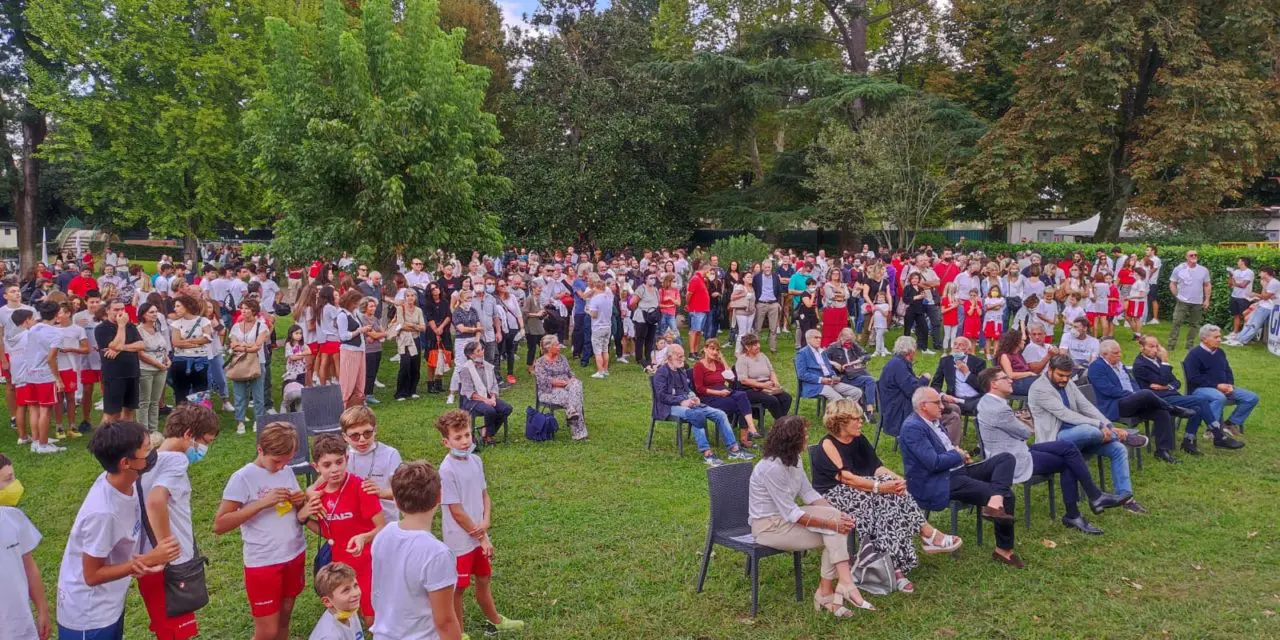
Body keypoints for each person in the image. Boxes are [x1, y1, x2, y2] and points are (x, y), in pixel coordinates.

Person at [812, 400, 961, 594]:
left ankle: (899, 561)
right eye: (856, 419)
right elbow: (847, 479)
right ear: (840, 422)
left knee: (896, 494)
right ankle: (917, 547)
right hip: (835, 493)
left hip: (863, 487)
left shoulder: (859, 439)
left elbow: (876, 467)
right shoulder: (827, 444)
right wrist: (880, 486)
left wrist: (897, 479)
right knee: (883, 501)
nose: (861, 422)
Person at [57, 421, 180, 639]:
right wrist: (148, 559)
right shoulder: (103, 513)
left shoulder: (125, 481)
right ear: (126, 462)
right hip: (89, 616)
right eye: (147, 449)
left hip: (109, 602)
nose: (152, 453)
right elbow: (91, 575)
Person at [976, 368, 1131, 535]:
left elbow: (1020, 431)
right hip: (1013, 460)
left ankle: (1094, 497)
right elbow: (1025, 432)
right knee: (1067, 462)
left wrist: (1021, 421)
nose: (1011, 379)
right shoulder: (1000, 409)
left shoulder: (986, 401)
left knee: (1067, 447)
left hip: (1015, 450)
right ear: (994, 384)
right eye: (1005, 378)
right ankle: (1076, 512)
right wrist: (1023, 422)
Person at [748, 415, 872, 617]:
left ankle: (835, 588)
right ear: (792, 440)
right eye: (804, 434)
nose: (807, 437)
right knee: (833, 532)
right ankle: (835, 588)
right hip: (770, 527)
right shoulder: (771, 468)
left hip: (788, 518)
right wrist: (830, 524)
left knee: (836, 524)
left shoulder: (794, 459)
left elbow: (808, 493)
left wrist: (838, 514)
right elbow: (792, 512)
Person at [899, 387, 1022, 568]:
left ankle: (995, 500)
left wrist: (959, 457)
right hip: (938, 480)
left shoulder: (932, 420)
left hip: (957, 470)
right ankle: (1003, 550)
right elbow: (933, 463)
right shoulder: (913, 428)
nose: (942, 406)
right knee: (1008, 495)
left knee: (1005, 459)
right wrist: (958, 454)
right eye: (937, 403)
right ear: (923, 405)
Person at [215, 422, 314, 640]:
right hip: (264, 561)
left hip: (294, 553)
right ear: (260, 450)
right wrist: (261, 503)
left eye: (286, 461)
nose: (281, 467)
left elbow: (296, 510)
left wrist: (300, 500)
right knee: (267, 631)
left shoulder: (286, 470)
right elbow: (220, 524)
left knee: (284, 618)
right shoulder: (242, 478)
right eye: (277, 461)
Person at [434, 411, 526, 638]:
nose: (465, 441)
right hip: (460, 542)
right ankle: (459, 633)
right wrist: (481, 535)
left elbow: (485, 495)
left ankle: (495, 620)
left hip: (478, 536)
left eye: (467, 435)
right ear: (446, 442)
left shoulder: (476, 460)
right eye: (458, 437)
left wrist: (486, 522)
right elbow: (456, 511)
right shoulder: (446, 470)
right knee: (459, 589)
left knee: (484, 578)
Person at [137, 404, 220, 639]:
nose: (205, 448)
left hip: (152, 564)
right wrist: (166, 550)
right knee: (177, 632)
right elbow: (155, 501)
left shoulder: (150, 461)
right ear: (188, 435)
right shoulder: (176, 461)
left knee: (167, 630)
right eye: (206, 441)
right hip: (170, 567)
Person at [1027, 355, 1149, 514]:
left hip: (1081, 435)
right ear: (1050, 370)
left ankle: (1126, 498)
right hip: (1055, 440)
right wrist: (1098, 425)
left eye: (1068, 375)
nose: (1065, 379)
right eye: (1061, 375)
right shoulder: (1039, 389)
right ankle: (1124, 436)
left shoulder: (1068, 383)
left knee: (1118, 449)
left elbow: (1086, 406)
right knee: (1090, 430)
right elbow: (1065, 414)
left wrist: (1108, 425)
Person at [369, 461, 463, 640]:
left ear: (395, 500)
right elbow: (445, 621)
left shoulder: (383, 535)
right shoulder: (437, 554)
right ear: (439, 497)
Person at [307, 434, 386, 626]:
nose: (334, 469)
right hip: (341, 565)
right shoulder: (319, 494)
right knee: (346, 615)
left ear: (347, 459)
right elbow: (328, 532)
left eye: (339, 462)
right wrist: (303, 518)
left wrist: (364, 537)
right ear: (316, 467)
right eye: (327, 465)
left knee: (371, 619)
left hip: (368, 563)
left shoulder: (360, 487)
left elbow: (383, 527)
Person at [1131, 335, 1244, 453]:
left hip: (1169, 395)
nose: (1156, 350)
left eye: (1157, 346)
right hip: (1156, 399)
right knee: (1200, 400)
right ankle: (1219, 436)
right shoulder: (1140, 365)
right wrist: (1165, 362)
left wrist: (1166, 386)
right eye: (1151, 346)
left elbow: (1176, 382)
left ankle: (1188, 442)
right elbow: (1164, 380)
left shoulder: (1157, 360)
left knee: (1197, 409)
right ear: (1141, 347)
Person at [1087, 339, 1186, 464]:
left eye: (1120, 352)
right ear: (1104, 354)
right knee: (1145, 393)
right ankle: (1173, 408)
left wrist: (1136, 394)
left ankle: (1163, 451)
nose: (1119, 355)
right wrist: (1133, 395)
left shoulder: (1120, 365)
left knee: (1161, 412)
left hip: (1133, 401)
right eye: (1116, 353)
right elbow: (1108, 390)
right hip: (1116, 405)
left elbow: (1133, 382)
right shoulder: (1096, 367)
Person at [652, 345, 752, 466]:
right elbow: (661, 396)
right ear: (669, 357)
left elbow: (687, 389)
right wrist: (681, 402)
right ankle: (707, 454)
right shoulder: (661, 373)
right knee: (696, 415)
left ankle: (734, 450)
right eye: (680, 356)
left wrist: (693, 396)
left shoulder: (680, 371)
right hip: (667, 407)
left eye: (683, 356)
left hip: (686, 403)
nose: (683, 359)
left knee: (720, 414)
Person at [1182, 324, 1260, 439]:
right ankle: (1212, 430)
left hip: (1222, 388)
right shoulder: (1194, 355)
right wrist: (1217, 386)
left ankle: (1230, 424)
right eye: (1216, 337)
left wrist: (1229, 385)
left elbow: (1227, 370)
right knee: (1219, 397)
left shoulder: (1220, 352)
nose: (1220, 339)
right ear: (1204, 338)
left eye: (1220, 337)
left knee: (1251, 397)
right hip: (1199, 390)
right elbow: (1193, 378)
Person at [0, 487, 51, 639]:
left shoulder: (13, 518)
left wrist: (42, 610)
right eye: (6, 479)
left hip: (20, 627)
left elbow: (29, 567)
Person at [693, 339, 760, 449]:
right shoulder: (698, 366)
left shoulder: (718, 364)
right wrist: (718, 393)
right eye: (712, 349)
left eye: (717, 350)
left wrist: (722, 359)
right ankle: (744, 438)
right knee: (742, 405)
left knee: (742, 396)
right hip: (709, 396)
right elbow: (699, 389)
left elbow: (732, 379)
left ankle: (751, 428)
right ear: (705, 349)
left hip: (724, 390)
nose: (715, 352)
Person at [879, 336, 935, 443]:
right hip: (897, 409)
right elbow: (912, 391)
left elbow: (907, 383)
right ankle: (929, 439)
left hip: (894, 404)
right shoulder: (898, 364)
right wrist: (925, 379)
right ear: (910, 351)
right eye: (915, 350)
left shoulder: (897, 362)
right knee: (932, 406)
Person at [456, 340, 513, 447]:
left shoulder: (488, 366)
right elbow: (469, 392)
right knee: (489, 410)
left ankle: (486, 430)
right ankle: (489, 437)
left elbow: (494, 385)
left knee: (506, 408)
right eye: (479, 350)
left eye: (482, 349)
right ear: (471, 355)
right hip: (472, 400)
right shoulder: (465, 370)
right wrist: (486, 400)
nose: (482, 352)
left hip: (488, 397)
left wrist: (493, 398)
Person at [532, 335, 588, 440]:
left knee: (577, 384)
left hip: (567, 386)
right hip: (548, 391)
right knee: (572, 397)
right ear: (549, 347)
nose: (559, 346)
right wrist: (560, 383)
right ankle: (579, 433)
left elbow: (571, 373)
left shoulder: (562, 358)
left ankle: (571, 413)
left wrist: (572, 379)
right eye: (557, 344)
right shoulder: (540, 363)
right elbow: (543, 381)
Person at [929, 336, 984, 439]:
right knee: (950, 411)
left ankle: (981, 444)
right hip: (954, 399)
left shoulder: (979, 362)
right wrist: (943, 395)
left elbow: (982, 387)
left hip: (975, 399)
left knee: (985, 406)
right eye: (955, 344)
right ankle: (949, 443)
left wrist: (967, 373)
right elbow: (935, 384)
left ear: (968, 350)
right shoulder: (945, 361)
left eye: (961, 345)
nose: (956, 347)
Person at [229, 300, 270, 434]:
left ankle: (258, 420)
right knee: (239, 393)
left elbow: (257, 346)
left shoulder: (261, 326)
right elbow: (233, 344)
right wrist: (248, 346)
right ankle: (240, 421)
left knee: (258, 394)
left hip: (257, 362)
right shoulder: (236, 326)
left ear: (253, 310)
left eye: (247, 308)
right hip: (239, 362)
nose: (244, 311)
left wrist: (241, 346)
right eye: (242, 308)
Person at [796, 329, 863, 406]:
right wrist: (821, 380)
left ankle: (845, 411)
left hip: (830, 381)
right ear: (808, 339)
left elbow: (829, 368)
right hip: (815, 385)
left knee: (856, 392)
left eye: (820, 338)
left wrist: (834, 377)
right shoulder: (802, 353)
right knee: (839, 400)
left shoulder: (822, 352)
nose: (819, 340)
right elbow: (802, 374)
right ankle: (842, 413)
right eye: (816, 337)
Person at [733, 333, 793, 420]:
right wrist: (762, 385)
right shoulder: (742, 359)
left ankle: (780, 423)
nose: (758, 346)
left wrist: (776, 383)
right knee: (772, 400)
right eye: (754, 345)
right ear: (747, 347)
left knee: (787, 398)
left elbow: (771, 371)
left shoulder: (763, 356)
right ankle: (783, 423)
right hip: (749, 389)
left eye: (757, 343)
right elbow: (744, 380)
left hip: (767, 386)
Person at [169, 295, 212, 405]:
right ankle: (182, 417)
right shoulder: (176, 324)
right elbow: (176, 342)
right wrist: (197, 343)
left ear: (187, 306)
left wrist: (186, 342)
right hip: (180, 361)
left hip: (200, 360)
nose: (175, 309)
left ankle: (199, 417)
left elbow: (207, 338)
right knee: (180, 393)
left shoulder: (204, 321)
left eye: (178, 306)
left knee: (200, 392)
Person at [136, 302, 172, 432]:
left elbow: (162, 348)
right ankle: (143, 431)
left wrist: (167, 360)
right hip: (146, 369)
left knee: (155, 402)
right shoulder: (138, 330)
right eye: (151, 312)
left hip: (161, 369)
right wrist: (158, 364)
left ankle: (153, 430)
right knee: (144, 401)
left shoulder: (158, 327)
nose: (155, 314)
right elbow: (140, 353)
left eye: (156, 311)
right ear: (143, 315)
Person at [822, 328, 877, 412]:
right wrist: (833, 363)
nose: (849, 342)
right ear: (841, 337)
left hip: (854, 373)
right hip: (842, 376)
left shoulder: (853, 345)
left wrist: (853, 362)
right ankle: (866, 408)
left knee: (871, 380)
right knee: (869, 380)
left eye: (850, 340)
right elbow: (821, 358)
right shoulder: (833, 347)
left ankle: (869, 406)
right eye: (847, 340)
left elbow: (867, 356)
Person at [1167, 250, 1211, 351]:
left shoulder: (1203, 270)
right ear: (1186, 257)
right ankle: (1171, 345)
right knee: (1176, 322)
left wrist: (1207, 299)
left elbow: (1207, 285)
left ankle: (1190, 345)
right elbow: (1172, 283)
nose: (1194, 256)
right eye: (1191, 255)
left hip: (1197, 302)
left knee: (1194, 324)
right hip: (1182, 301)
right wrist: (1177, 295)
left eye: (1196, 255)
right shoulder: (1179, 269)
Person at [335, 290, 372, 408]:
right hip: (349, 350)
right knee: (347, 382)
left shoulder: (354, 313)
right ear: (349, 301)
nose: (357, 305)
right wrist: (359, 331)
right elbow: (343, 336)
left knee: (360, 380)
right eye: (355, 302)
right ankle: (344, 405)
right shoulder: (342, 315)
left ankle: (359, 404)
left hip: (359, 350)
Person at [1226, 267, 1280, 346]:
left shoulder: (1274, 283)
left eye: (1261, 272)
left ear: (1266, 273)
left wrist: (1257, 293)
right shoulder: (1267, 282)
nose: (1259, 274)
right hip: (1263, 305)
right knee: (1250, 323)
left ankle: (1243, 341)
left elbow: (1265, 297)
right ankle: (1239, 338)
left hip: (1268, 307)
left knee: (1255, 325)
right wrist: (1263, 293)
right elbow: (1264, 295)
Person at [310, 563, 365, 640]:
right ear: (327, 601)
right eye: (346, 590)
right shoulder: (330, 636)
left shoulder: (349, 610)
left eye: (355, 585)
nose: (355, 593)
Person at [393, 289, 426, 400]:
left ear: (415, 297)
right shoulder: (400, 309)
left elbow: (423, 327)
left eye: (412, 295)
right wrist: (416, 326)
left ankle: (412, 390)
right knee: (405, 365)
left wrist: (412, 326)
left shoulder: (419, 310)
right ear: (405, 297)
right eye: (408, 296)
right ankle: (400, 392)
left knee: (415, 365)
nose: (410, 297)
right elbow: (401, 325)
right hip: (405, 340)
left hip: (416, 339)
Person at [752, 260, 784, 352]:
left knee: (773, 328)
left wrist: (778, 303)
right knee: (758, 328)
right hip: (761, 303)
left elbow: (779, 290)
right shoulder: (757, 277)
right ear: (762, 267)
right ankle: (755, 347)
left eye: (769, 267)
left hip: (773, 304)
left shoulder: (775, 277)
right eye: (765, 267)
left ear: (771, 268)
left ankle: (773, 348)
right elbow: (754, 289)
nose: (767, 269)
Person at [993, 331, 1037, 396]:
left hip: (1024, 380)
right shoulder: (1004, 356)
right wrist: (1029, 373)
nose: (1024, 342)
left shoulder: (1018, 354)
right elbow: (1010, 375)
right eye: (1022, 340)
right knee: (1042, 385)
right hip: (1014, 383)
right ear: (1016, 342)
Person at [361, 297, 387, 404]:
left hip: (377, 349)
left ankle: (370, 393)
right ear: (365, 307)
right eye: (371, 306)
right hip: (368, 350)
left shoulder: (375, 319)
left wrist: (378, 335)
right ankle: (366, 395)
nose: (373, 308)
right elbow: (375, 334)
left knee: (374, 372)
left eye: (374, 306)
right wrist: (378, 335)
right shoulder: (363, 319)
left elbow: (383, 332)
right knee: (369, 373)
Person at [586, 277, 614, 378]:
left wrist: (588, 311)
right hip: (608, 326)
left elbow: (594, 315)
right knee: (605, 349)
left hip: (598, 327)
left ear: (595, 288)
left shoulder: (595, 299)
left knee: (597, 351)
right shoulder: (609, 298)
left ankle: (600, 371)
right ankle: (605, 369)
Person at [1227, 257, 1254, 339]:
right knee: (1236, 315)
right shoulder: (1236, 271)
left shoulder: (1249, 272)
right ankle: (1235, 333)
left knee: (1245, 316)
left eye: (1238, 261)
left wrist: (1234, 282)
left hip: (1244, 297)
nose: (1237, 262)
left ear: (1243, 262)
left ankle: (1245, 334)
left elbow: (1243, 285)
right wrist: (1230, 276)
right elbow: (1229, 285)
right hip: (1234, 296)